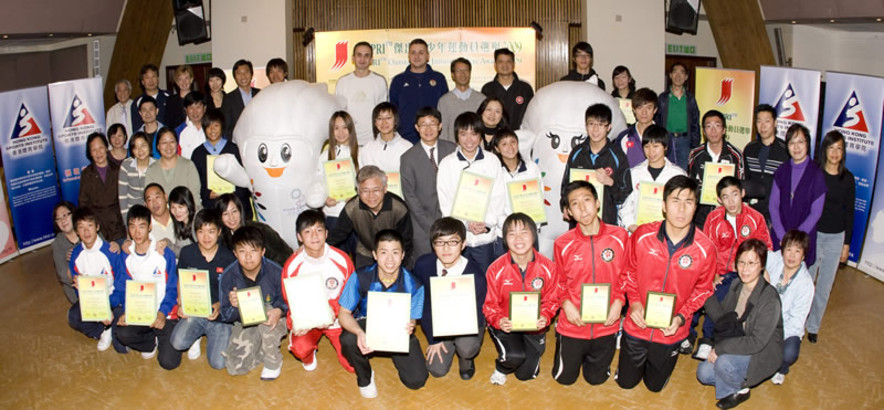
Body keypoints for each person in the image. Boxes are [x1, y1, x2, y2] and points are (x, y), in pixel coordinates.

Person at [617, 175, 715, 392]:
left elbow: (704, 289)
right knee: (626, 383)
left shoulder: (705, 248)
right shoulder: (643, 235)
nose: (681, 209)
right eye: (675, 201)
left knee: (654, 387)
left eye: (688, 202)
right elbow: (628, 272)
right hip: (637, 326)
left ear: (696, 207)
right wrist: (634, 303)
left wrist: (681, 317)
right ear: (663, 206)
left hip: (671, 331)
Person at [552, 181, 628, 386]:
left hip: (606, 324)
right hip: (573, 324)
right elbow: (558, 282)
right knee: (564, 379)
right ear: (568, 212)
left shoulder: (620, 237)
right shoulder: (562, 243)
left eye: (587, 200)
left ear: (597, 203)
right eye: (575, 204)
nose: (583, 208)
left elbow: (626, 274)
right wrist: (566, 304)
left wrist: (619, 302)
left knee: (596, 380)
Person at [338, 229, 429, 398]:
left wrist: (410, 324)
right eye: (383, 252)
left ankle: (395, 353)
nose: (389, 259)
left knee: (417, 381)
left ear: (402, 255)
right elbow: (343, 313)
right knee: (348, 339)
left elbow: (412, 317)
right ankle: (365, 377)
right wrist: (358, 332)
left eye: (395, 253)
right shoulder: (360, 276)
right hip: (366, 322)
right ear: (374, 254)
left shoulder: (415, 284)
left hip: (397, 329)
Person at [697, 239, 783, 409]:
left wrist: (721, 349)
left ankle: (739, 389)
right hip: (738, 340)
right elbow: (723, 319)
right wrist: (706, 292)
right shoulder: (737, 284)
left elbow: (756, 342)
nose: (745, 269)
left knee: (723, 363)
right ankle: (736, 386)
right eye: (741, 262)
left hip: (762, 352)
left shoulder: (769, 299)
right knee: (703, 373)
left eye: (752, 263)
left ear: (762, 266)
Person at [692, 177, 772, 353]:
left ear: (742, 193)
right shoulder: (713, 218)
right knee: (715, 294)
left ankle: (729, 339)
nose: (731, 201)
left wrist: (761, 271)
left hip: (748, 272)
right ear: (719, 199)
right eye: (725, 197)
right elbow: (708, 250)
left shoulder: (756, 218)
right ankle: (707, 339)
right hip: (722, 272)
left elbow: (765, 248)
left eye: (735, 194)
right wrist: (712, 274)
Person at [484, 213, 558, 385]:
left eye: (524, 232)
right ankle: (501, 367)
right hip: (506, 324)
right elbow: (489, 306)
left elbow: (553, 300)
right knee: (514, 357)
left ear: (533, 235)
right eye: (511, 233)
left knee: (526, 375)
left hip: (533, 326)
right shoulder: (495, 269)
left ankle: (529, 351)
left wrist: (545, 317)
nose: (518, 238)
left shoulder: (548, 267)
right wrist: (499, 320)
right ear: (505, 239)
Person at [281, 210, 356, 373]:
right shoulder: (292, 265)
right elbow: (289, 300)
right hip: (308, 322)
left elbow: (351, 295)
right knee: (300, 348)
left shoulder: (342, 259)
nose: (314, 236)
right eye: (308, 232)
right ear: (299, 237)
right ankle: (308, 357)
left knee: (352, 366)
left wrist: (333, 310)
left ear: (327, 233)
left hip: (337, 321)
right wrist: (294, 323)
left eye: (319, 230)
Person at [413, 217, 487, 380]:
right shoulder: (423, 266)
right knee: (436, 370)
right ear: (433, 245)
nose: (446, 248)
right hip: (438, 322)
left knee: (466, 348)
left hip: (467, 321)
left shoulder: (476, 276)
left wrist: (459, 330)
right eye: (440, 242)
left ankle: (466, 360)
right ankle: (449, 344)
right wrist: (434, 339)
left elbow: (478, 314)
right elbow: (424, 304)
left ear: (463, 244)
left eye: (453, 242)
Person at [114, 205, 181, 369]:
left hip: (164, 314)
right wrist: (125, 312)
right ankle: (150, 342)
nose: (137, 233)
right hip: (141, 313)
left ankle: (165, 335)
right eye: (132, 226)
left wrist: (162, 313)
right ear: (128, 229)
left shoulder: (163, 254)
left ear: (150, 226)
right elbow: (123, 288)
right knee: (121, 333)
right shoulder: (126, 256)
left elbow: (172, 288)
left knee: (168, 363)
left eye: (141, 226)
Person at [438, 112, 506, 273]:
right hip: (458, 240)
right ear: (457, 137)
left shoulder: (492, 161)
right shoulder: (447, 164)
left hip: (485, 238)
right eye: (463, 134)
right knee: (461, 287)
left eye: (474, 134)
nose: (469, 139)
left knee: (486, 285)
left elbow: (498, 198)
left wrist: (487, 223)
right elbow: (445, 203)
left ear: (481, 136)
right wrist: (466, 225)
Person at [169, 209, 237, 369]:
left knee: (218, 364)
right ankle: (197, 335)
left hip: (219, 317)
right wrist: (181, 305)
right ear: (195, 232)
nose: (206, 237)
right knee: (177, 343)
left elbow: (233, 290)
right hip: (195, 312)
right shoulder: (187, 253)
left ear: (219, 232)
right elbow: (180, 279)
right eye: (201, 232)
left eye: (211, 231)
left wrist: (220, 306)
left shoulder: (228, 257)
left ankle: (226, 334)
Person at [219, 225, 288, 380]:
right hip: (245, 321)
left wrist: (279, 311)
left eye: (253, 250)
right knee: (235, 368)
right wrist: (233, 306)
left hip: (273, 319)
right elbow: (225, 316)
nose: (248, 257)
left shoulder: (276, 271)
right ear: (235, 253)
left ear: (263, 251)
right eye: (242, 251)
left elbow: (288, 302)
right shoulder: (228, 276)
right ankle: (260, 350)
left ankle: (273, 361)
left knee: (267, 309)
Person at [806, 130, 854, 343]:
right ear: (824, 149)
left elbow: (850, 212)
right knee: (807, 282)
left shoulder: (848, 178)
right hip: (815, 235)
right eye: (831, 147)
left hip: (836, 238)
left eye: (839, 148)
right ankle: (799, 322)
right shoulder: (815, 173)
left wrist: (846, 244)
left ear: (843, 152)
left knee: (824, 286)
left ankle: (813, 325)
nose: (835, 153)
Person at [327, 165, 413, 269]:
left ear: (385, 189)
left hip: (393, 254)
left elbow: (406, 242)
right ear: (358, 191)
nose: (371, 196)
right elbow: (337, 235)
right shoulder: (351, 208)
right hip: (366, 251)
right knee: (363, 282)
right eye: (365, 191)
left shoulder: (399, 208)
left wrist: (401, 266)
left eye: (376, 190)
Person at [67, 206, 126, 353]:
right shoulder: (76, 254)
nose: (86, 231)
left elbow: (121, 283)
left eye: (90, 226)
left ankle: (111, 328)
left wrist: (107, 306)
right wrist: (98, 309)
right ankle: (103, 330)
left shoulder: (111, 251)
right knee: (73, 316)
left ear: (97, 227)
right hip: (93, 302)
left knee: (121, 348)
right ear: (77, 232)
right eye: (81, 227)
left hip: (114, 300)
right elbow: (78, 287)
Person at [400, 107, 456, 259]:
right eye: (423, 124)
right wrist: (431, 225)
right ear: (417, 128)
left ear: (440, 126)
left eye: (432, 123)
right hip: (422, 227)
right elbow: (410, 196)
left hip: (454, 221)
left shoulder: (453, 150)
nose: (428, 128)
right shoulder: (407, 158)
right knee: (425, 268)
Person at [561, 104, 630, 226]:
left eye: (601, 125)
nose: (595, 130)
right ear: (586, 126)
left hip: (606, 222)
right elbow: (566, 185)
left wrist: (610, 182)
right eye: (591, 124)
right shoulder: (577, 152)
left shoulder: (618, 156)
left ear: (609, 127)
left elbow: (626, 194)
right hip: (579, 223)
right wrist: (565, 205)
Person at [769, 123, 827, 267]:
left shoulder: (817, 173)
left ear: (808, 144)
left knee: (798, 282)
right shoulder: (782, 171)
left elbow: (816, 213)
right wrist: (782, 236)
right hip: (780, 235)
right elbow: (773, 206)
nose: (796, 147)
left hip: (803, 238)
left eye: (800, 142)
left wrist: (795, 240)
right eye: (792, 142)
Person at [765, 230, 813, 385]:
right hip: (763, 318)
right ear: (782, 250)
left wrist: (774, 336)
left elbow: (797, 322)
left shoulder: (806, 285)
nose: (792, 256)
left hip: (785, 329)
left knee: (789, 354)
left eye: (797, 251)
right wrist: (762, 271)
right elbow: (754, 255)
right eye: (788, 250)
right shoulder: (774, 259)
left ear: (804, 255)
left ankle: (781, 369)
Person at [618, 124, 686, 233]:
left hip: (667, 235)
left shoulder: (678, 175)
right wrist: (634, 227)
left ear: (665, 147)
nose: (651, 151)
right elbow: (624, 206)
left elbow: (682, 207)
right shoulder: (633, 173)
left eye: (655, 146)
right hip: (637, 233)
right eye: (647, 146)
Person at [190, 109, 252, 219]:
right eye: (208, 126)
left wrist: (232, 192)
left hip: (235, 205)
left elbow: (244, 178)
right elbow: (196, 182)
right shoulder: (198, 153)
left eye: (216, 125)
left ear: (222, 127)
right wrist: (207, 193)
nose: (212, 130)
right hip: (212, 207)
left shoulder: (233, 149)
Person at [687, 110, 744, 226]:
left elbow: (740, 184)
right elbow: (690, 185)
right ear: (704, 131)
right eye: (709, 126)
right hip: (701, 216)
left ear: (724, 130)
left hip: (728, 214)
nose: (713, 131)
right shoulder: (695, 154)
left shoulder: (735, 155)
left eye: (717, 126)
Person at [389, 39, 449, 143]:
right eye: (413, 53)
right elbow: (393, 111)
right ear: (408, 56)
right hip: (405, 139)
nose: (417, 56)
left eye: (421, 53)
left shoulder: (439, 79)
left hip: (433, 137)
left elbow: (445, 109)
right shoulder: (398, 80)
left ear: (428, 56)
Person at [215, 193, 292, 267]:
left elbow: (282, 256)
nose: (231, 217)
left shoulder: (260, 230)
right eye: (226, 214)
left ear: (240, 211)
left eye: (234, 211)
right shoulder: (224, 238)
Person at [742, 104, 788, 224]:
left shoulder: (785, 151)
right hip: (753, 213)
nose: (763, 126)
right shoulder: (749, 149)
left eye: (767, 121)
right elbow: (746, 179)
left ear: (775, 123)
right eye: (759, 121)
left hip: (776, 215)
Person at [335, 42, 388, 146]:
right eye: (359, 55)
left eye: (366, 55)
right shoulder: (343, 82)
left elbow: (382, 113)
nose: (362, 59)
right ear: (353, 58)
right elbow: (339, 113)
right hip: (348, 140)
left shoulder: (379, 81)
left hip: (373, 140)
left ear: (371, 59)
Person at [79, 132, 126, 242]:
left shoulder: (118, 170)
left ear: (106, 148)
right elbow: (83, 203)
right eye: (94, 150)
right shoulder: (86, 174)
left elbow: (124, 199)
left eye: (100, 148)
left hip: (118, 224)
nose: (98, 153)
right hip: (97, 226)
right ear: (90, 153)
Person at [655, 63, 700, 171]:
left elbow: (695, 122)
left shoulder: (690, 99)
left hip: (684, 140)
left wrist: (694, 145)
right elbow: (657, 120)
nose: (678, 76)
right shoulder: (663, 98)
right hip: (667, 140)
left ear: (686, 77)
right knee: (664, 170)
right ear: (670, 75)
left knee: (682, 172)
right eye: (675, 72)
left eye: (681, 73)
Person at [322, 111, 360, 232]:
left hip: (356, 214)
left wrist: (357, 197)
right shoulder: (324, 156)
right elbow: (318, 183)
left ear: (351, 129)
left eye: (345, 127)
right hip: (333, 214)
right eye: (336, 128)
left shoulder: (361, 153)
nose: (341, 132)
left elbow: (367, 183)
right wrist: (324, 199)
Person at [481, 48, 533, 130]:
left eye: (508, 61)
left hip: (520, 137)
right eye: (500, 62)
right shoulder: (487, 89)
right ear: (495, 65)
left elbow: (532, 116)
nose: (504, 65)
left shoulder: (525, 88)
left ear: (513, 64)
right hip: (495, 137)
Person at [144, 127, 201, 200]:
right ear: (158, 146)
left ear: (177, 144)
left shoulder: (188, 166)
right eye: (164, 142)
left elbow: (195, 197)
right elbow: (150, 199)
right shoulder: (152, 170)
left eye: (172, 142)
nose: (168, 146)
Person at [438, 57, 485, 143]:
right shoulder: (444, 101)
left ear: (470, 73)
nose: (463, 74)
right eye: (459, 71)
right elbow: (443, 133)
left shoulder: (481, 99)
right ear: (453, 75)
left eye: (466, 70)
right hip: (452, 151)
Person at [358, 102, 412, 173]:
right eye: (379, 118)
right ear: (375, 122)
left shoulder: (407, 148)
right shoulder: (367, 149)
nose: (384, 122)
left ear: (395, 120)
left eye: (388, 118)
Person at [614, 88, 659, 167]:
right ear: (633, 110)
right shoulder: (624, 136)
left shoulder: (664, 136)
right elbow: (616, 165)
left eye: (648, 108)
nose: (644, 112)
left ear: (655, 110)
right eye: (639, 107)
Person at [118, 132, 155, 221]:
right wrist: (127, 223)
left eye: (143, 145)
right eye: (135, 147)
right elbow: (122, 197)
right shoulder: (126, 165)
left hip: (152, 215)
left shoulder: (156, 166)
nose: (140, 150)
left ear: (149, 146)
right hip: (132, 215)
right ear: (132, 151)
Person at [222, 59, 261, 137]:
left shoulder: (260, 94)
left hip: (258, 140)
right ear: (234, 77)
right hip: (237, 143)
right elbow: (226, 126)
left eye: (246, 72)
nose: (243, 76)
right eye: (239, 73)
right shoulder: (228, 98)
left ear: (251, 74)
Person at [52, 201, 79, 304]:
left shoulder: (87, 229)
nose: (63, 220)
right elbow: (63, 275)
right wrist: (73, 263)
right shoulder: (57, 244)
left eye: (65, 215)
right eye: (58, 219)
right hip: (77, 293)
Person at [130, 64, 170, 131]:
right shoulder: (137, 102)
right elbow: (137, 128)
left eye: (153, 76)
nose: (151, 80)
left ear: (158, 79)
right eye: (147, 78)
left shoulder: (168, 97)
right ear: (142, 82)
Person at [174, 91, 207, 159]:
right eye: (191, 108)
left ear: (204, 108)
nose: (195, 111)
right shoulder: (178, 131)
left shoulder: (212, 128)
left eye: (198, 107)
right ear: (186, 110)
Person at [143, 183, 176, 247]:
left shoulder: (178, 216)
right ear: (146, 205)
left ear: (166, 197)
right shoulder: (145, 226)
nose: (154, 203)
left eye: (157, 197)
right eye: (149, 200)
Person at [165, 65, 197, 130]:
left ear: (191, 79)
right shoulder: (170, 101)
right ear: (177, 82)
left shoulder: (198, 99)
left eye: (186, 78)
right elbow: (168, 122)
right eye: (180, 79)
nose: (184, 82)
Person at [168, 186, 196, 256]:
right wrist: (168, 244)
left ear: (189, 205)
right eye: (173, 207)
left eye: (180, 207)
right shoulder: (180, 224)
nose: (177, 212)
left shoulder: (199, 220)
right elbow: (182, 253)